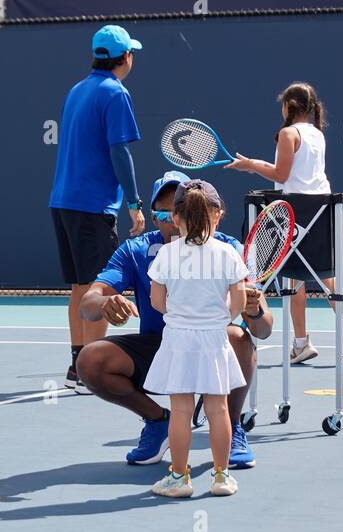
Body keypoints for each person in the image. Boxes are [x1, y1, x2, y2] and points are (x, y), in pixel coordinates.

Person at [76, 171, 274, 470]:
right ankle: (157, 422)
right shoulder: (137, 250)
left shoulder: (228, 248)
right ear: (155, 219)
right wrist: (105, 302)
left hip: (211, 344)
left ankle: (232, 429)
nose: (172, 219)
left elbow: (264, 328)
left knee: (238, 337)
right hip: (163, 347)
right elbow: (87, 304)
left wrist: (254, 309)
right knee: (91, 361)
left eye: (178, 210)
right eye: (163, 212)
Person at [224, 81, 343, 366]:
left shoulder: (288, 133)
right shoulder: (317, 135)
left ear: (289, 106)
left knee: (293, 273)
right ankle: (342, 317)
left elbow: (282, 175)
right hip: (322, 210)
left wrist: (249, 165)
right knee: (322, 270)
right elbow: (293, 171)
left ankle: (301, 342)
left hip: (295, 211)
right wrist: (254, 161)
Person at [49, 24, 146, 393]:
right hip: (92, 206)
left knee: (80, 285)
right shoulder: (115, 93)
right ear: (125, 58)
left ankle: (79, 364)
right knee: (102, 287)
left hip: (62, 202)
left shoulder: (77, 90)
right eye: (132, 53)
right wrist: (135, 204)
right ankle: (93, 368)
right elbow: (120, 151)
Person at [143, 180, 251, 497]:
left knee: (180, 410)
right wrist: (220, 317)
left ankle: (179, 478)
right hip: (215, 338)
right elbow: (240, 302)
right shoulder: (229, 253)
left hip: (178, 339)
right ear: (217, 215)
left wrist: (179, 313)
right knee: (218, 409)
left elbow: (156, 301)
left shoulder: (165, 254)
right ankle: (221, 477)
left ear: (176, 217)